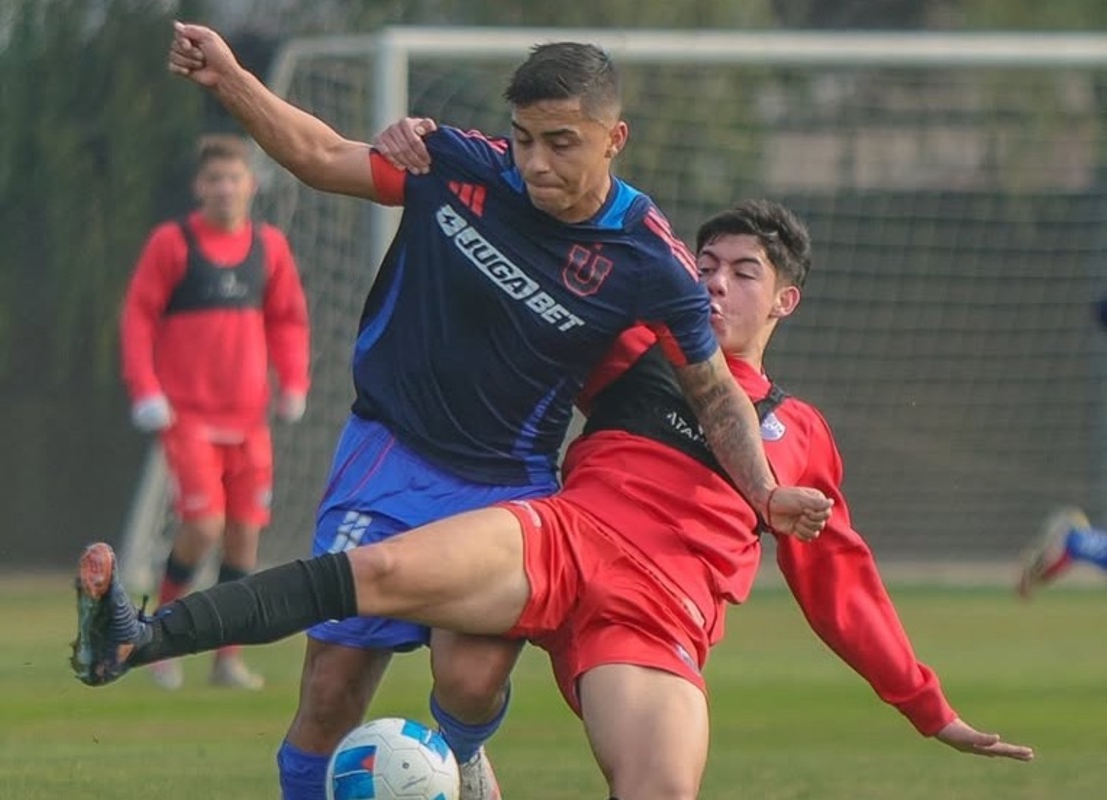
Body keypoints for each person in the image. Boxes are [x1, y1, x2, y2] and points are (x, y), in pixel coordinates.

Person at [72, 198, 1033, 800]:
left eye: (745, 273)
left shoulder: (803, 433)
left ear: (785, 301)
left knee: (656, 786)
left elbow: (842, 586)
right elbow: (526, 297)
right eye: (705, 267)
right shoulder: (633, 349)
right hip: (561, 541)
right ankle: (138, 636)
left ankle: (464, 757)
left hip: (658, 620)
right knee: (378, 573)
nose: (717, 284)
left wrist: (926, 706)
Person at [161, 22, 833, 800]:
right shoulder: (456, 165)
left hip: (505, 484)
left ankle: (466, 761)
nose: (537, 162)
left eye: (561, 142)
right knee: (330, 697)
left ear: (613, 139)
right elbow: (317, 155)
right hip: (390, 454)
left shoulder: (651, 260)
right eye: (523, 139)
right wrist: (231, 78)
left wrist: (765, 494)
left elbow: (715, 393)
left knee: (470, 680)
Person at [120, 132, 310, 690]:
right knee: (203, 525)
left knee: (244, 539)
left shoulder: (270, 246)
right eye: (214, 180)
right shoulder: (173, 243)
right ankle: (158, 638)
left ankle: (227, 659)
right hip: (190, 418)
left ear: (252, 185)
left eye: (234, 178)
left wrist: (293, 379)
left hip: (250, 422)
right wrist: (145, 389)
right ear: (198, 187)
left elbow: (288, 318)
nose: (225, 189)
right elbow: (138, 317)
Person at [1017, 506, 1107, 596]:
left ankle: (1029, 577)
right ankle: (1028, 577)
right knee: (1047, 570)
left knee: (1046, 570)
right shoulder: (1072, 542)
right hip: (1070, 538)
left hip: (1070, 535)